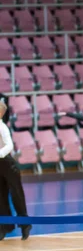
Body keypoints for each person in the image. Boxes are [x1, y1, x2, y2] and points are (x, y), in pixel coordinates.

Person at [0, 102, 31, 241]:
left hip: (8, 164)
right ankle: (5, 226)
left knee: (16, 194)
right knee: (0, 196)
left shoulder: (2, 127)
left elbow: (10, 145)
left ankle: (25, 225)